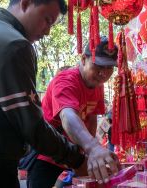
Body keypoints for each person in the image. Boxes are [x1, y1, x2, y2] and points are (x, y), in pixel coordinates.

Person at [0, 0, 118, 187]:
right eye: (47, 20)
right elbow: (32, 125)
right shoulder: (12, 44)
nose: (48, 31)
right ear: (26, 3)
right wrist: (80, 158)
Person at [27, 36, 120, 188]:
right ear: (84, 59)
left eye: (109, 67)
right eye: (99, 66)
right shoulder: (65, 81)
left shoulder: (98, 85)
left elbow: (91, 118)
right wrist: (93, 147)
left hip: (73, 153)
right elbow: (68, 116)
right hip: (47, 153)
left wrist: (88, 151)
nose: (104, 74)